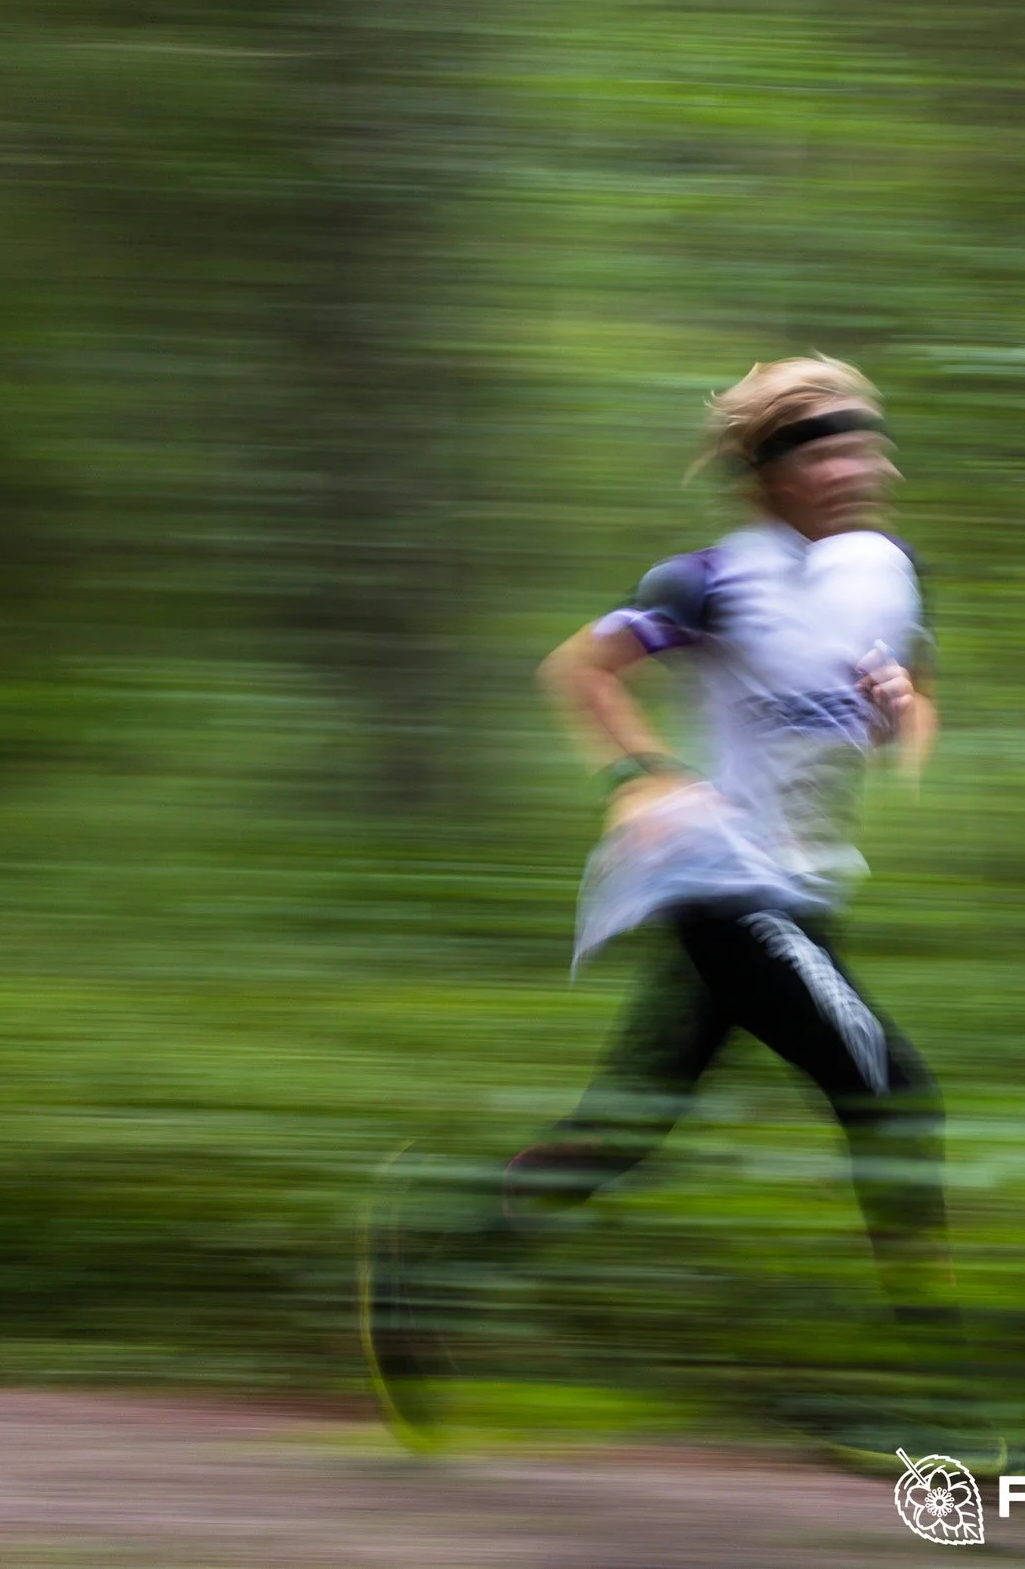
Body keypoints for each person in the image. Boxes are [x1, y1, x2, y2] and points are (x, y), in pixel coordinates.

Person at [362, 355, 969, 1457]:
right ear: (769, 472)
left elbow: (916, 706)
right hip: (721, 883)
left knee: (622, 1133)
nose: (859, 467)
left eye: (866, 443)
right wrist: (639, 774)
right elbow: (578, 670)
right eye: (829, 449)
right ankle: (943, 1404)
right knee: (893, 1088)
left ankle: (430, 1251)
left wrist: (898, 715)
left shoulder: (889, 571)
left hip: (804, 894)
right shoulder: (710, 580)